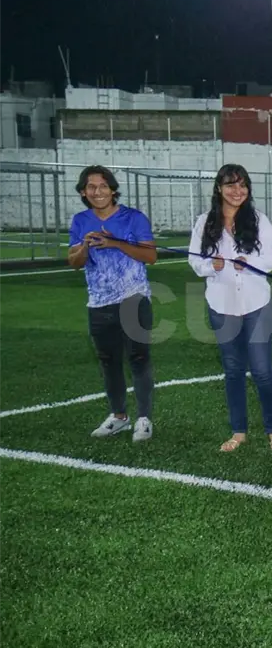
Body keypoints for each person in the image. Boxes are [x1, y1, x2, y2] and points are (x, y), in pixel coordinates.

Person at [188, 164, 272, 452]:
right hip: (221, 305)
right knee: (233, 371)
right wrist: (211, 265)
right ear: (219, 187)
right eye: (231, 185)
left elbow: (271, 259)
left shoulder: (259, 220)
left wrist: (250, 264)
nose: (237, 191)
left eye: (243, 185)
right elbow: (195, 262)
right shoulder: (204, 222)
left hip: (256, 304)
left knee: (262, 371)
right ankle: (238, 432)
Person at [67, 164, 158, 442]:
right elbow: (74, 262)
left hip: (134, 299)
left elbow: (150, 256)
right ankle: (119, 416)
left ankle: (144, 419)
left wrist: (114, 243)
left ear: (113, 189)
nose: (97, 191)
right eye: (91, 187)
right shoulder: (80, 221)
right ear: (83, 192)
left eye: (103, 186)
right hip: (99, 303)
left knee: (139, 358)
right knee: (108, 361)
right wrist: (84, 246)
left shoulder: (134, 218)